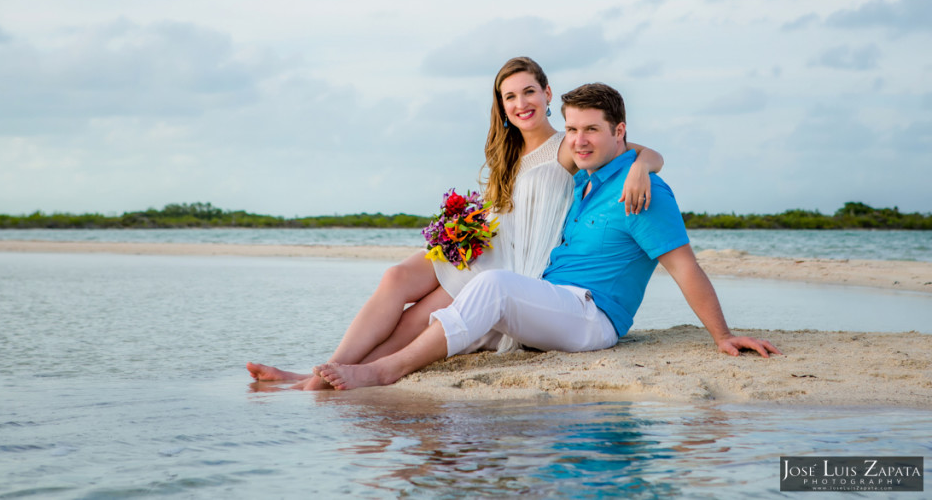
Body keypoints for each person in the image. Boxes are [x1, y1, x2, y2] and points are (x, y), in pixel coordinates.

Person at [314, 83, 780, 390]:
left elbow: (684, 267)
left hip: (592, 316)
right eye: (572, 129)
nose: (578, 141)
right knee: (433, 303)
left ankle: (384, 370)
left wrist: (722, 335)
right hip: (552, 299)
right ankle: (329, 374)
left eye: (591, 130)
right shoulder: (584, 182)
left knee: (490, 287)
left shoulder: (643, 193)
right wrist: (643, 158)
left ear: (620, 132)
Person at [248, 59, 665, 389]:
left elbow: (645, 154)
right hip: (481, 246)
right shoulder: (508, 154)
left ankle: (321, 379)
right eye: (510, 97)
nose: (521, 103)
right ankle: (323, 369)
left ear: (547, 93)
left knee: (416, 320)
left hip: (511, 263)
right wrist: (461, 229)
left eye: (529, 92)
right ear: (501, 105)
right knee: (395, 276)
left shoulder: (568, 145)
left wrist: (641, 169)